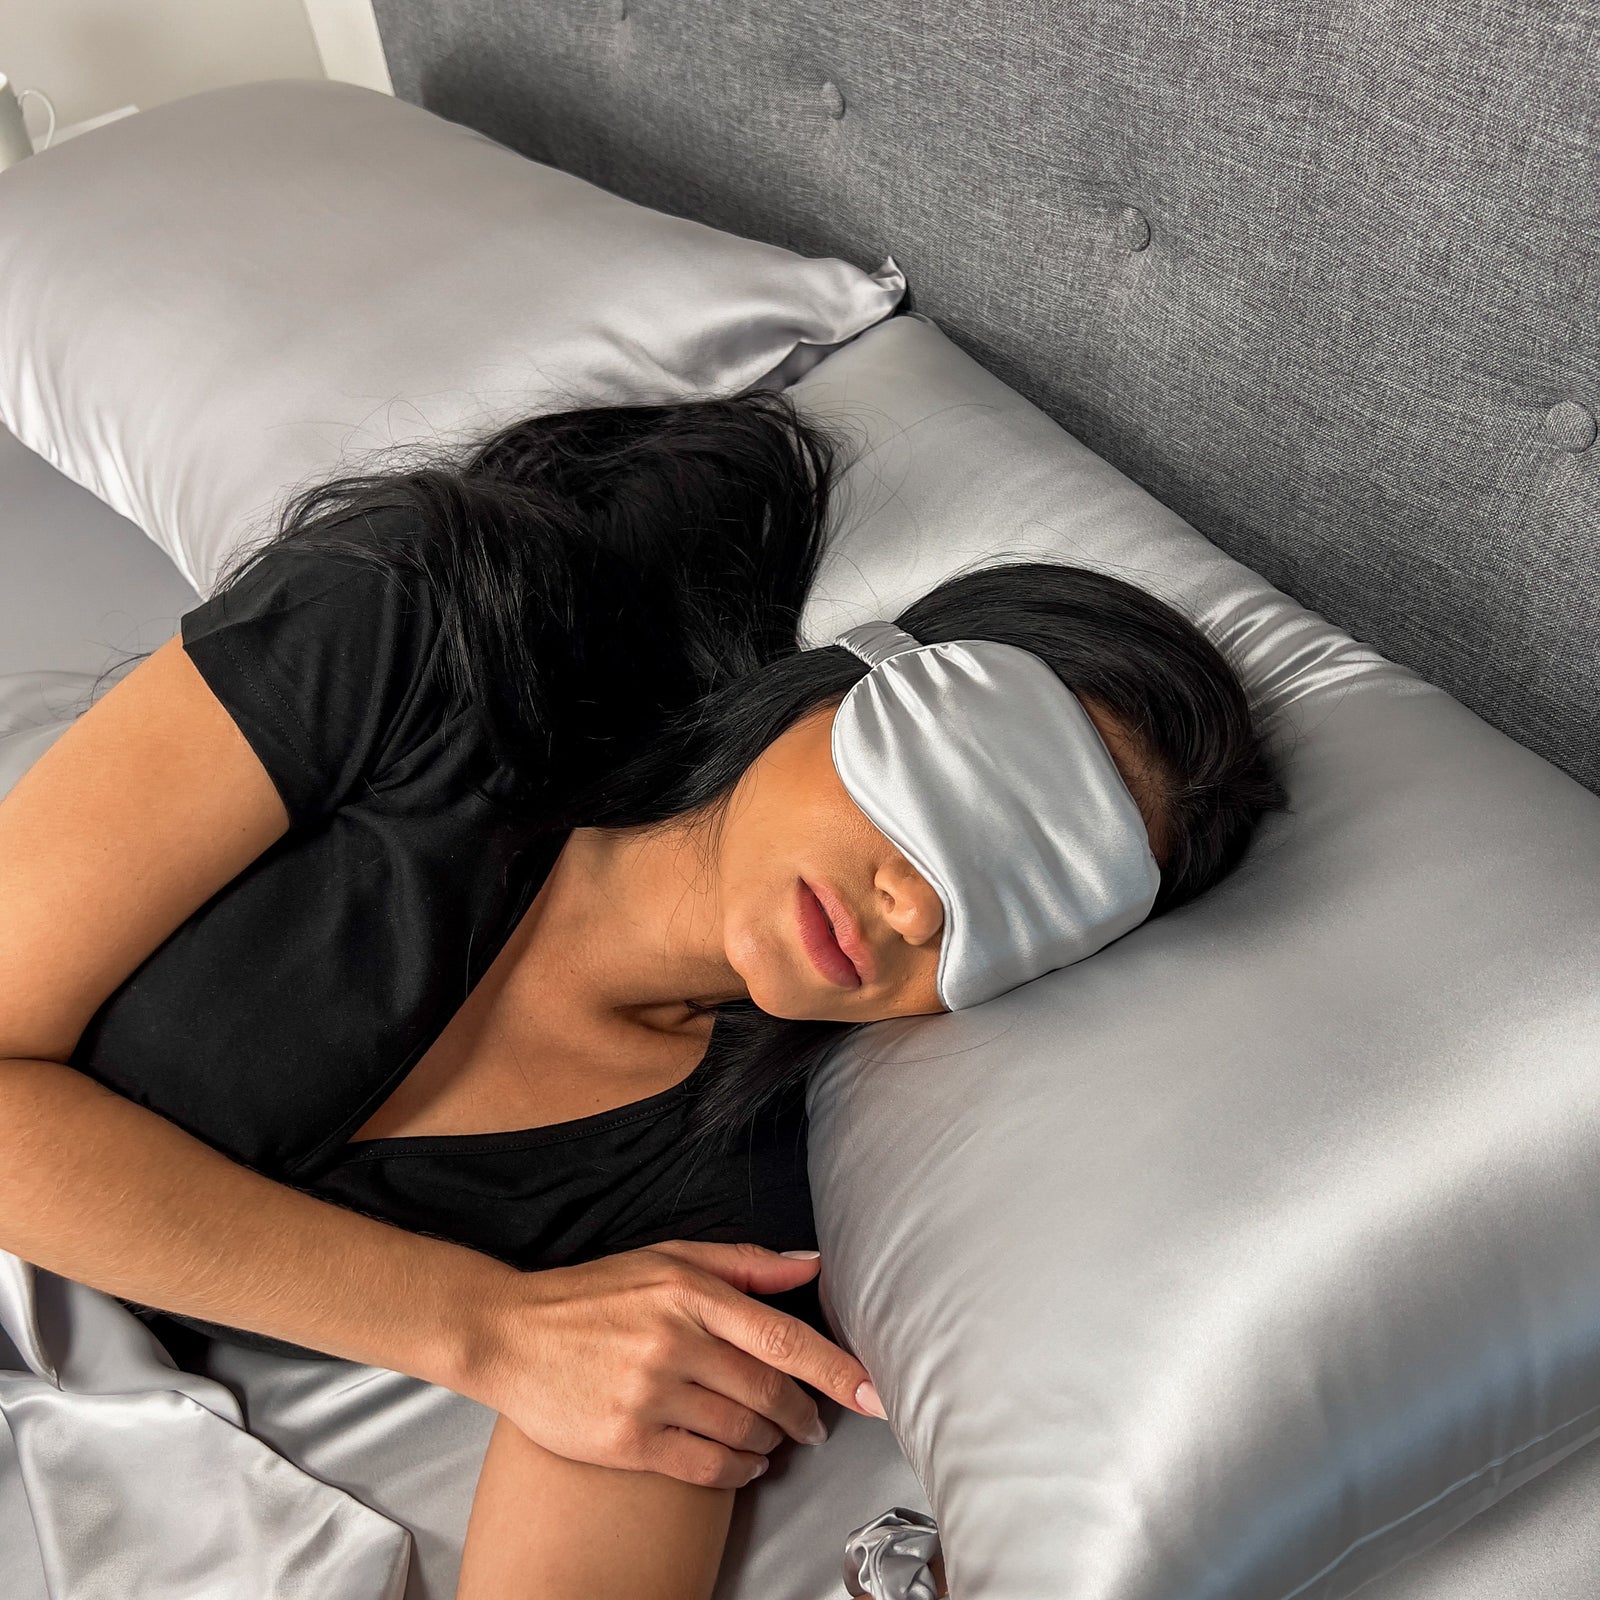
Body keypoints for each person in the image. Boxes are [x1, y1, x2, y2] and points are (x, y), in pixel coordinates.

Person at [0, 387, 1289, 1599]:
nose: (916, 905)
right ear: (861, 673)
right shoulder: (425, 630)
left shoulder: (729, 1199)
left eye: (1024, 908)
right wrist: (485, 1328)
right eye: (967, 794)